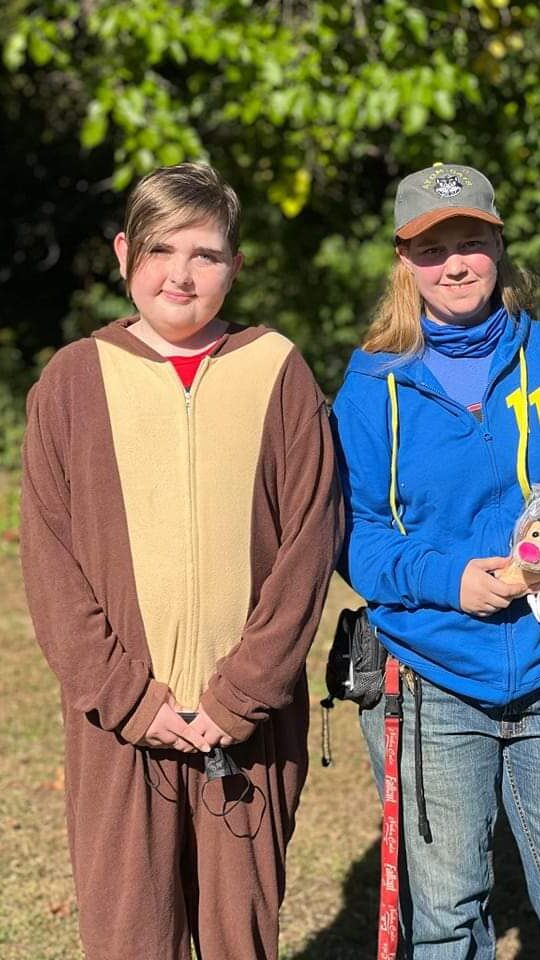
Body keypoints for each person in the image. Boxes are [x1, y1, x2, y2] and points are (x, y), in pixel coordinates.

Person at [331, 162, 540, 957]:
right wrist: (452, 580)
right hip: (427, 680)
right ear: (404, 263)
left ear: (499, 249)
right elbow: (353, 535)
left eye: (472, 242)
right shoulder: (370, 385)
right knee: (445, 922)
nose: (455, 263)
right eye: (432, 247)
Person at [21, 161, 343, 960]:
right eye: (163, 250)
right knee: (131, 936)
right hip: (122, 729)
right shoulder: (71, 382)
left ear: (234, 266)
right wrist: (129, 699)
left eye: (205, 254)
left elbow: (308, 544)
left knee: (241, 937)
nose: (181, 273)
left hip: (250, 725)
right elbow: (51, 567)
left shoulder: (279, 372)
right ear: (126, 253)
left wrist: (242, 695)